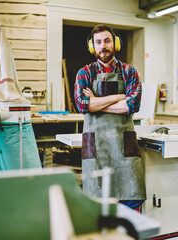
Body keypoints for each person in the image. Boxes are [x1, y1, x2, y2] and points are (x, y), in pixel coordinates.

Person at [74, 24, 146, 211]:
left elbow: (132, 105)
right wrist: (118, 97)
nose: (103, 46)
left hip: (124, 147)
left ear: (115, 44)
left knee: (131, 198)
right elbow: (82, 104)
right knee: (98, 204)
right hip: (95, 146)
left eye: (107, 41)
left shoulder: (130, 72)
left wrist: (95, 103)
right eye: (98, 42)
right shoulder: (85, 73)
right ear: (92, 46)